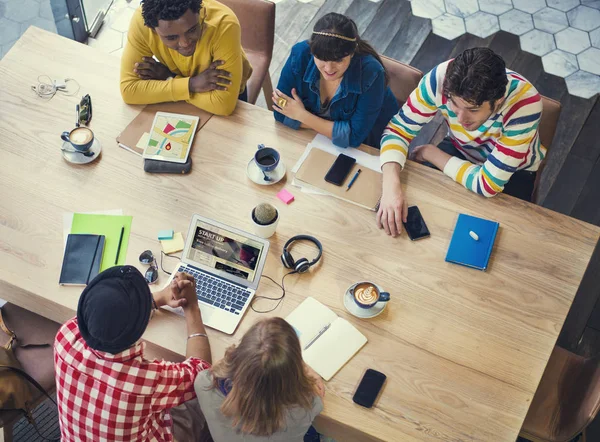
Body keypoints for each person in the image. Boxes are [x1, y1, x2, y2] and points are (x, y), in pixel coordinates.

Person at [377, 48, 544, 236]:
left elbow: (487, 184)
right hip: (461, 150)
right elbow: (397, 130)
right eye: (454, 104)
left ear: (498, 101)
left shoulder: (525, 103)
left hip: (515, 172)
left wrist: (430, 153)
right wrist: (390, 188)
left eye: (472, 110)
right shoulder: (440, 79)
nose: (461, 118)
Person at [54, 266, 212, 441]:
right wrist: (191, 307)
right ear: (141, 327)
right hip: (156, 423)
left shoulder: (65, 335)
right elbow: (201, 371)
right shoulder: (145, 381)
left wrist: (160, 297)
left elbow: (108, 317)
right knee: (203, 395)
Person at [273, 13, 399, 149]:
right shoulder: (300, 54)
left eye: (338, 60)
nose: (328, 68)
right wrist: (336, 131)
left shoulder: (372, 73)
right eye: (321, 58)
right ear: (312, 50)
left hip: (369, 145)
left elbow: (354, 137)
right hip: (319, 142)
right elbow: (280, 112)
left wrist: (302, 116)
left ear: (352, 52)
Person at [195, 317, 325, 442]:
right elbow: (315, 400)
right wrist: (303, 368)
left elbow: (225, 366)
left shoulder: (203, 383)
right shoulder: (307, 406)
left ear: (238, 353)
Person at [120, 0, 253, 116]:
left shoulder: (224, 24)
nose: (185, 43)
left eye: (192, 30)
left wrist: (168, 79)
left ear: (200, 13)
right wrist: (190, 85)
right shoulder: (142, 22)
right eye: (171, 37)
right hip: (191, 88)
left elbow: (223, 105)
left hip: (226, 93)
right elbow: (129, 90)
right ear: (153, 30)